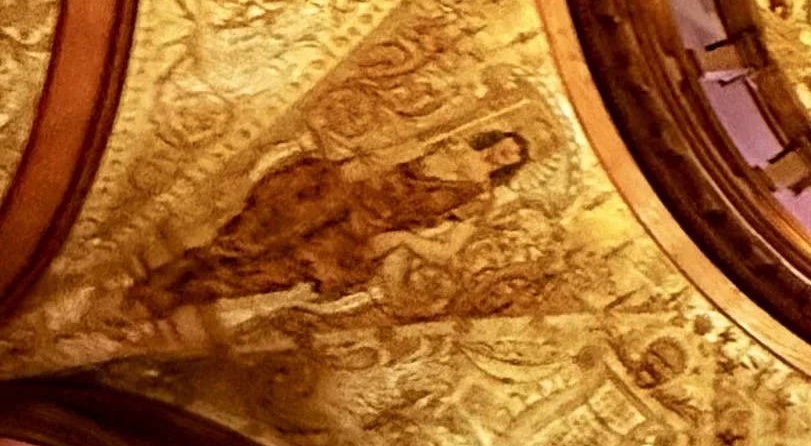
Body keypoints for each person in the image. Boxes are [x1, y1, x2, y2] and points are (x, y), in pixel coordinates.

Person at [126, 132, 530, 327]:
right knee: (253, 237)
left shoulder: (478, 197)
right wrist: (350, 170)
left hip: (363, 229)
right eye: (505, 144)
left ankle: (183, 293)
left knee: (275, 271)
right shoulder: (451, 145)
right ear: (495, 140)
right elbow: (386, 155)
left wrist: (405, 238)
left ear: (509, 165)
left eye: (511, 155)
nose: (501, 153)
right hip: (344, 196)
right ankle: (167, 278)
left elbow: (447, 253)